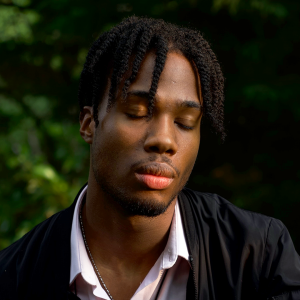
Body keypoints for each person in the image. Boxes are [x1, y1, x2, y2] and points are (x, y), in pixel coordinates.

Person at [0, 16, 299, 300]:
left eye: (185, 122)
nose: (164, 141)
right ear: (89, 124)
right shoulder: (12, 278)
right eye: (137, 113)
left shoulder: (261, 257)